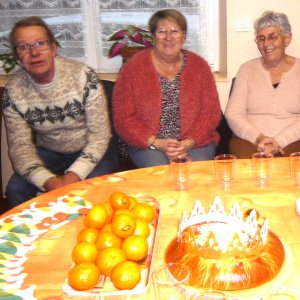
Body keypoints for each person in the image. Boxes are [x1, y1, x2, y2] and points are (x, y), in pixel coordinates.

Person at [2, 16, 117, 207]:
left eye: (40, 43)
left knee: (97, 189)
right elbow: (20, 149)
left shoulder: (82, 76)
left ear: (54, 48)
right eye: (24, 46)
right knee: (16, 189)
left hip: (93, 147)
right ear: (17, 57)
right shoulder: (13, 92)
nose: (34, 52)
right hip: (50, 151)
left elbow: (99, 136)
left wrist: (73, 176)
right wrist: (50, 182)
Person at [112, 9, 221, 168]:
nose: (168, 37)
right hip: (148, 144)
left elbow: (211, 112)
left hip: (195, 143)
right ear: (153, 36)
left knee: (196, 172)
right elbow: (123, 117)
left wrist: (189, 142)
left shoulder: (200, 67)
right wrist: (155, 142)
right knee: (161, 173)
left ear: (183, 36)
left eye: (175, 31)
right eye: (162, 31)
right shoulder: (133, 68)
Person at [225, 11, 300, 158]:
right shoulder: (246, 69)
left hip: (293, 139)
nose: (266, 44)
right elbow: (233, 113)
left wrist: (278, 141)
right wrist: (258, 138)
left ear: (287, 38)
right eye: (261, 38)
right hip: (248, 139)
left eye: (273, 37)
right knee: (249, 171)